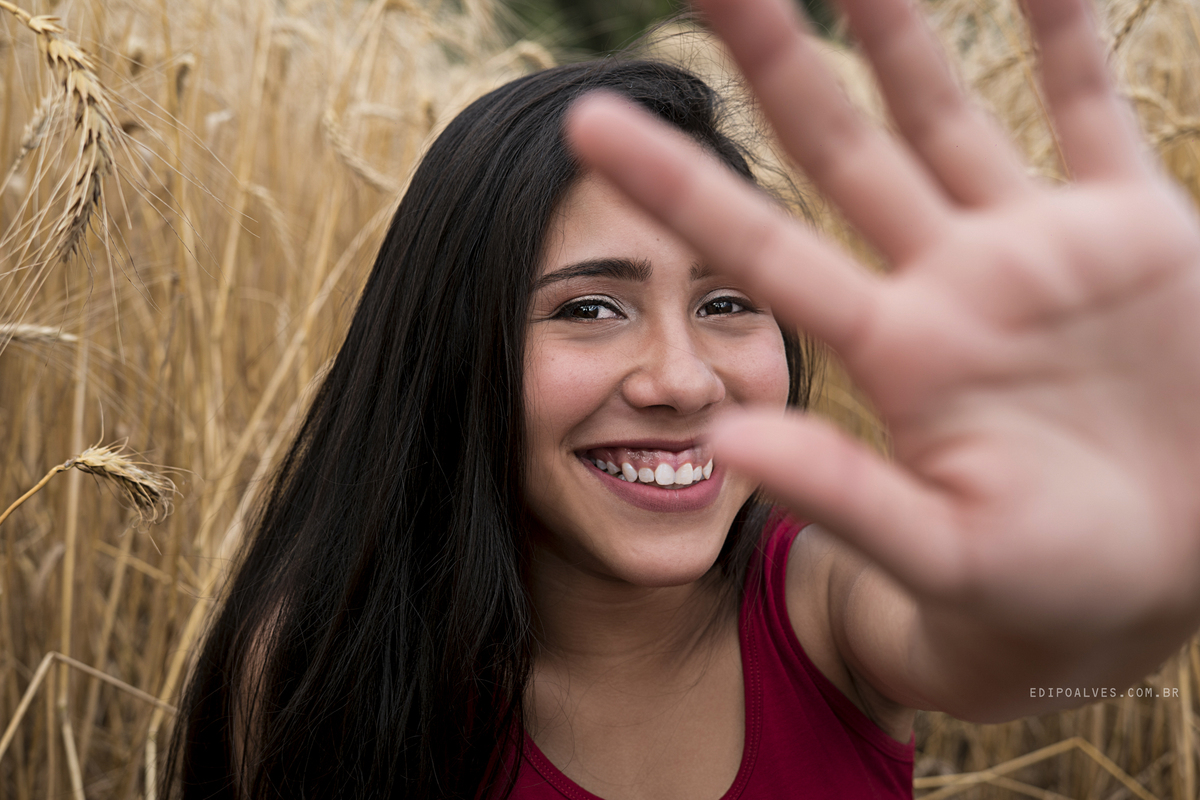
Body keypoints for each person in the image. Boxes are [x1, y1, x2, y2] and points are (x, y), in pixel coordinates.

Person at [165, 0, 1200, 797]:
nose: (682, 379)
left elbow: (1002, 647)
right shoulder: (318, 669)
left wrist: (1107, 580)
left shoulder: (824, 603)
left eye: (728, 301)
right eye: (589, 309)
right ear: (455, 349)